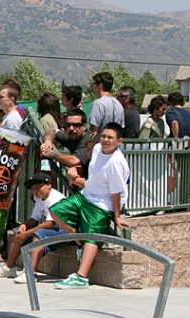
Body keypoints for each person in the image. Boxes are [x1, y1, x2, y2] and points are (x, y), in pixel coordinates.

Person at [49, 122, 130, 290]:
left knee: (92, 237)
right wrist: (76, 167)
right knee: (56, 210)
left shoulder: (116, 163)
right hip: (86, 195)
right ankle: (78, 239)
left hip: (102, 204)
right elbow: (89, 164)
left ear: (119, 141)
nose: (106, 140)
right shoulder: (98, 148)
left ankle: (81, 277)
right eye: (104, 136)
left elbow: (116, 192)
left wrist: (116, 216)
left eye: (110, 138)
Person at [0, 171, 66, 282]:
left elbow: (50, 224)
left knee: (39, 235)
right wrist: (24, 226)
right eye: (33, 188)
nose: (36, 191)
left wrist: (28, 233)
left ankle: (30, 273)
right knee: (17, 233)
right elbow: (34, 219)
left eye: (39, 186)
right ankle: (8, 267)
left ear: (49, 185)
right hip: (52, 230)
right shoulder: (39, 199)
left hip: (66, 231)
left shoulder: (56, 198)